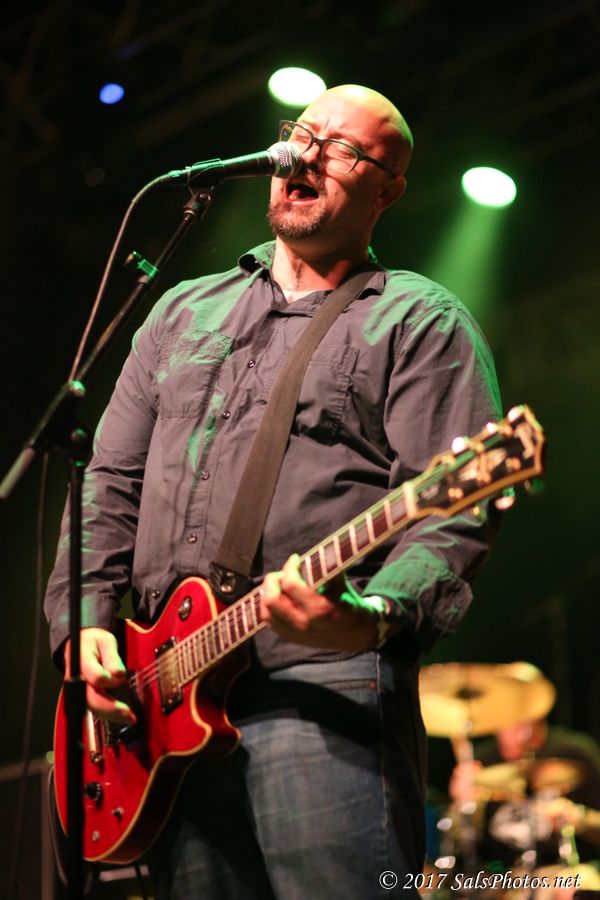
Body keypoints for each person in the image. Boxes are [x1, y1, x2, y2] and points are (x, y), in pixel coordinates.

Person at [45, 84, 502, 898]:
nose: (305, 156)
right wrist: (85, 626)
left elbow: (454, 511)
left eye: (342, 149)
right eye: (302, 134)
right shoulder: (182, 312)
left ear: (388, 189)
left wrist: (370, 615)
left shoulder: (419, 320)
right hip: (163, 700)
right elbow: (108, 481)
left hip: (323, 684)